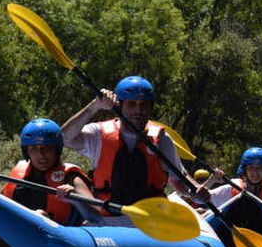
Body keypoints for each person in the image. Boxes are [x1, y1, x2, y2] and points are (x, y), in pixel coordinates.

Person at [60, 75, 196, 214]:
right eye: (132, 103)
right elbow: (64, 138)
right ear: (119, 105)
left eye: (144, 104)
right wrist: (94, 106)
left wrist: (195, 191)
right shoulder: (98, 133)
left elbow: (179, 180)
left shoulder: (162, 139)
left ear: (150, 107)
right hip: (108, 218)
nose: (138, 110)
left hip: (150, 219)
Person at [0, 118, 95, 224]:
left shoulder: (71, 177)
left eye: (47, 148)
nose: (41, 155)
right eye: (34, 149)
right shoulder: (20, 172)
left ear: (57, 150)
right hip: (21, 235)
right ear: (27, 152)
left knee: (40, 215)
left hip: (59, 239)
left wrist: (75, 200)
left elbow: (96, 216)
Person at [201, 147, 262, 220]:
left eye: (259, 168)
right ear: (245, 170)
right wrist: (211, 180)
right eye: (251, 168)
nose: (255, 173)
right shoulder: (232, 187)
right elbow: (199, 198)